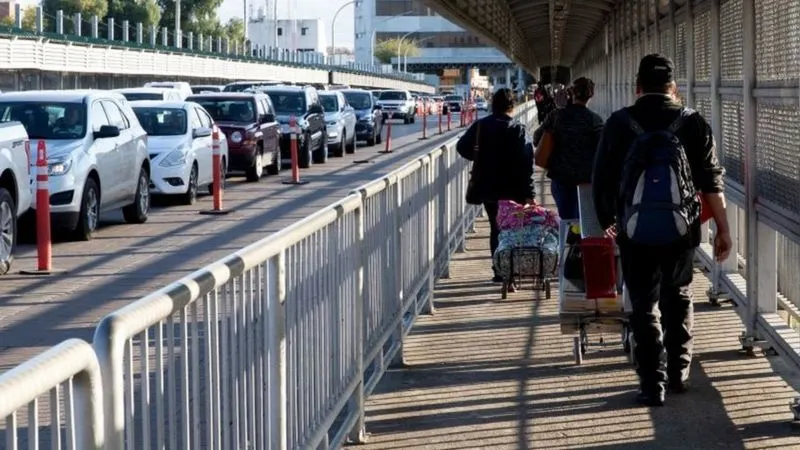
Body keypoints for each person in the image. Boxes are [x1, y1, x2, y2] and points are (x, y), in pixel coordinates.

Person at [592, 54, 732, 407]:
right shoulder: (693, 122)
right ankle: (678, 374)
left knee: (642, 305)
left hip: (634, 230)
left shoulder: (619, 123)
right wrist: (723, 229)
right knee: (678, 297)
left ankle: (652, 385)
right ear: (674, 87)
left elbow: (602, 179)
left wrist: (609, 220)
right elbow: (712, 181)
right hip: (681, 232)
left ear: (637, 86)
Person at [456, 88, 534, 283]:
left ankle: (499, 271)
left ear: (493, 105)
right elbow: (526, 163)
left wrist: (479, 157)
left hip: (487, 186)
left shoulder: (481, 125)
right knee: (513, 228)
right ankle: (512, 269)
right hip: (513, 188)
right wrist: (529, 193)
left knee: (496, 227)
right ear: (512, 106)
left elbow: (462, 146)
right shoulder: (518, 128)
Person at [533, 77, 604, 220]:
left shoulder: (557, 115)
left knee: (566, 218)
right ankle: (578, 236)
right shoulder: (595, 120)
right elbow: (601, 151)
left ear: (571, 93)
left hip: (560, 177)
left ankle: (569, 234)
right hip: (586, 179)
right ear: (591, 95)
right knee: (582, 218)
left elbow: (536, 139)